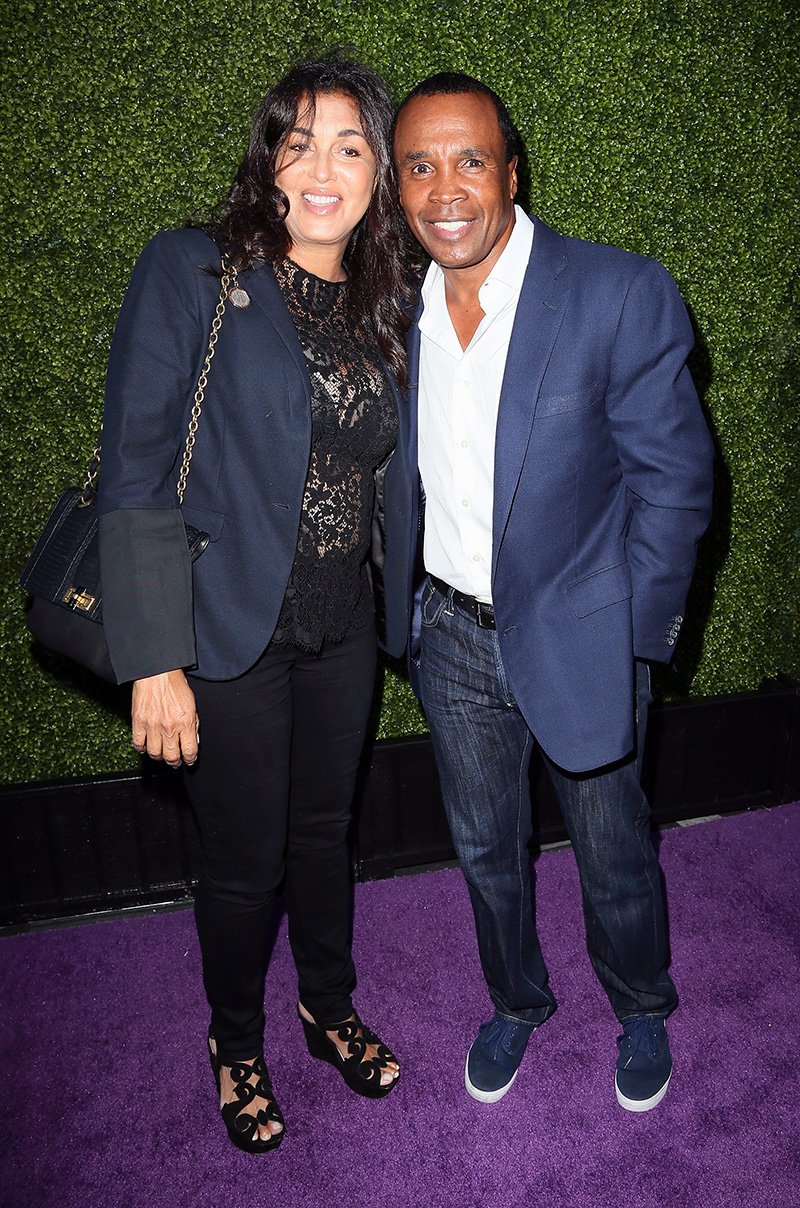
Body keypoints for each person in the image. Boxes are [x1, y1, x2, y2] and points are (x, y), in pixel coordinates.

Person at [98, 55, 413, 1153]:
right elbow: (136, 464)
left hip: (344, 628)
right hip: (227, 632)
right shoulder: (196, 268)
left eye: (349, 145)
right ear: (266, 151)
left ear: (378, 169)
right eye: (300, 140)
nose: (321, 168)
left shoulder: (387, 303)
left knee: (324, 834)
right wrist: (152, 655)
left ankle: (325, 1005)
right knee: (244, 861)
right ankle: (235, 1040)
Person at [393, 73, 713, 1112]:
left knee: (611, 847)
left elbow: (673, 483)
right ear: (398, 187)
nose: (446, 188)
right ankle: (515, 1000)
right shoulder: (393, 307)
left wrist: (631, 638)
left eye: (469, 159)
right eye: (419, 165)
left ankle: (640, 1005)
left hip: (582, 632)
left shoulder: (615, 291)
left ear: (510, 169)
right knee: (484, 848)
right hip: (446, 632)